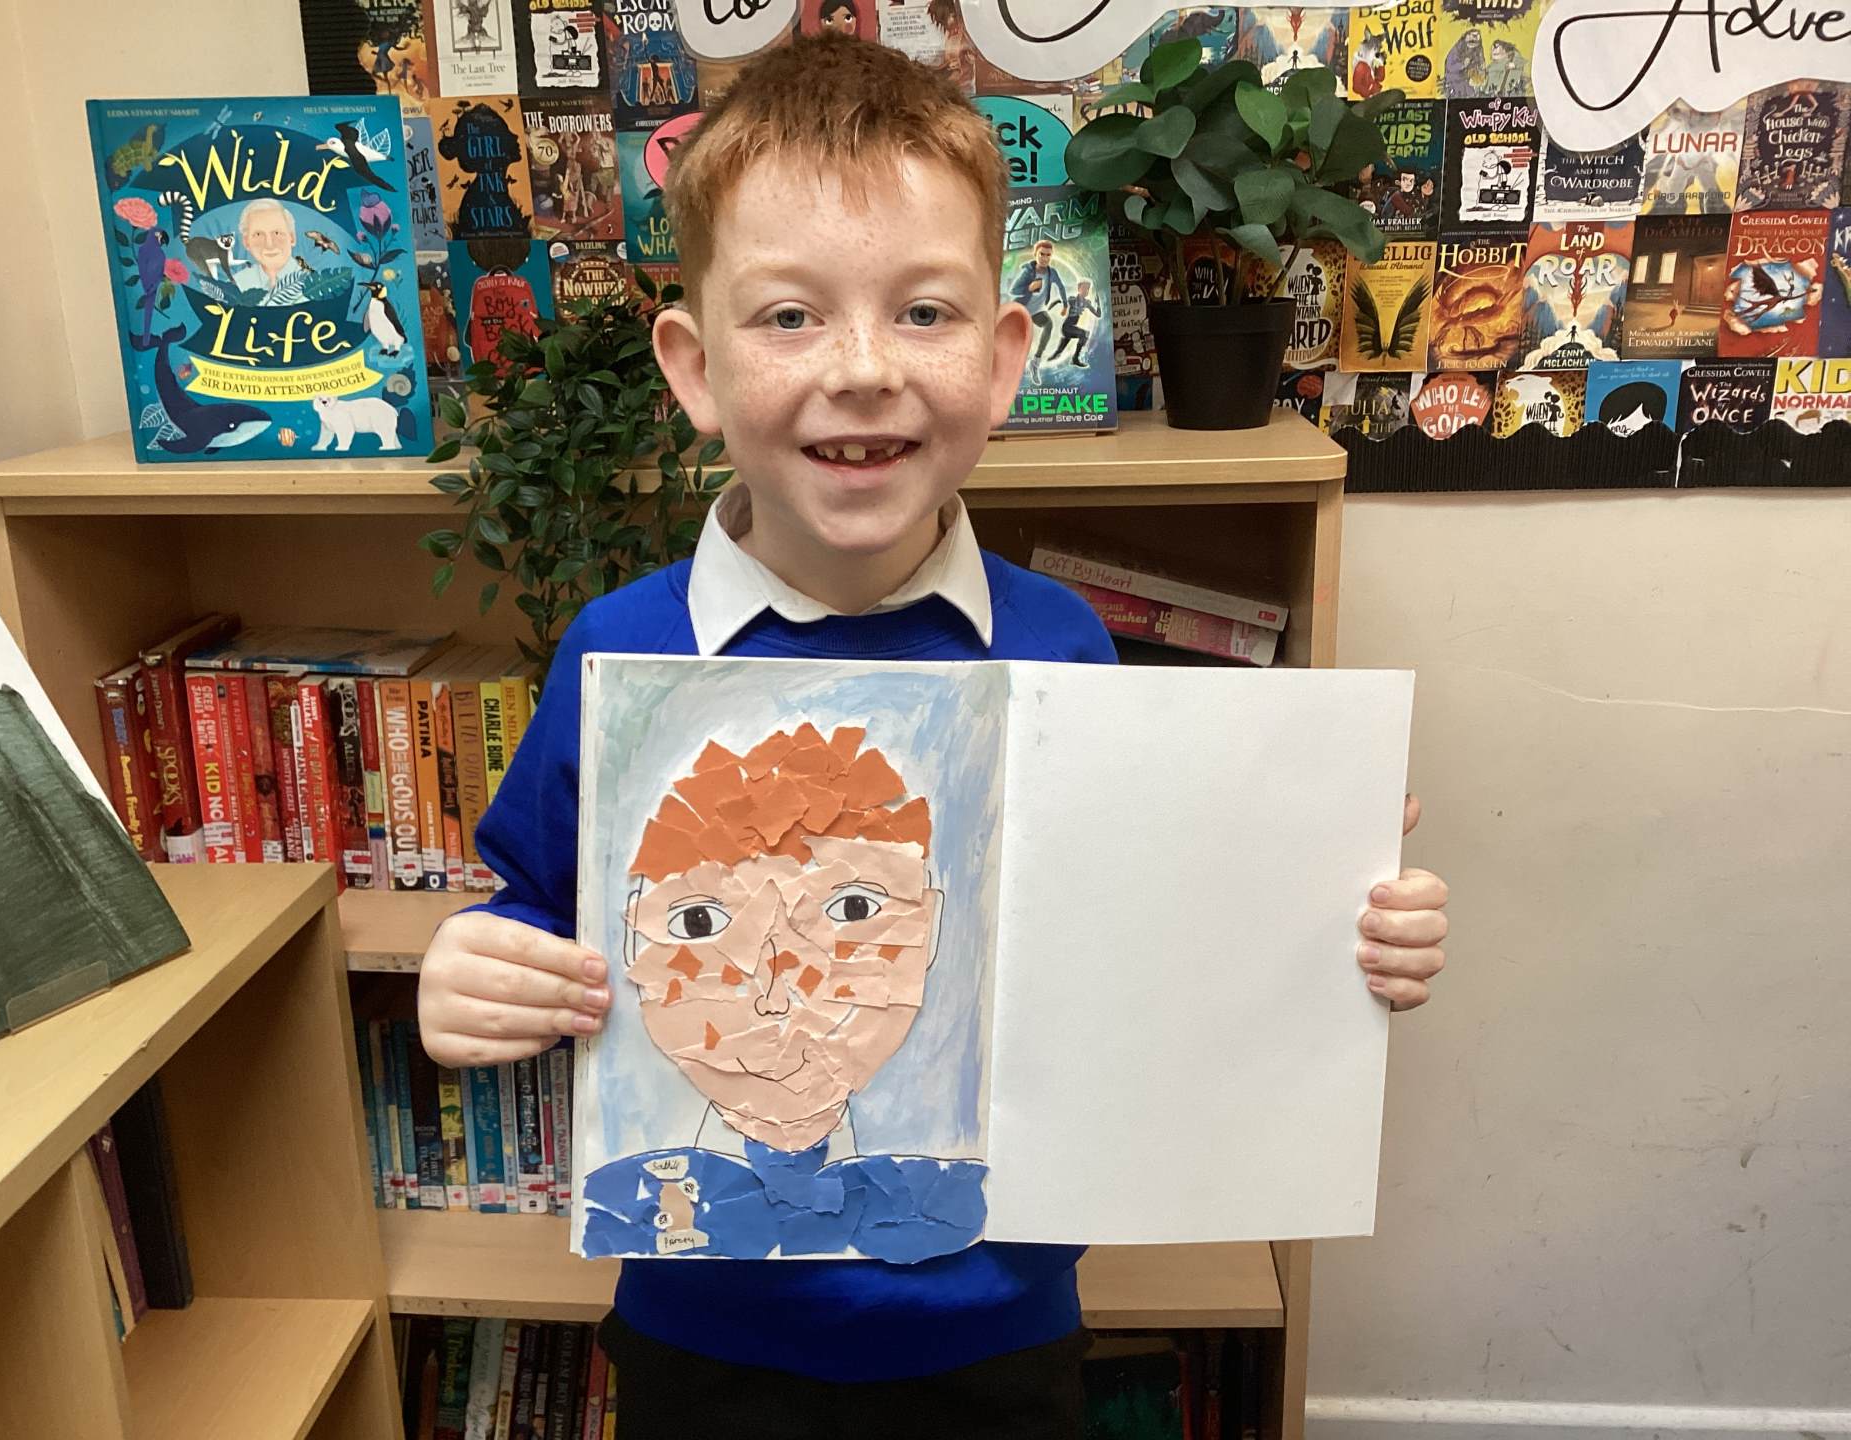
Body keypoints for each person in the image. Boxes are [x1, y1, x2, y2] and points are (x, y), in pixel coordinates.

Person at [415, 35, 1451, 1440]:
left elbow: (1132, 943)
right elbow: (537, 914)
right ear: (695, 369)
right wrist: (472, 973)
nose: (862, 371)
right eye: (789, 316)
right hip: (705, 1344)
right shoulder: (620, 655)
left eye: (923, 312)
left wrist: (1332, 929)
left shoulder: (1062, 646)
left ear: (1006, 357)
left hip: (997, 1337)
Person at [583, 724, 987, 1263]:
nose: (777, 1000)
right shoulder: (614, 1206)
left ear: (929, 932)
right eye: (698, 922)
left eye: (854, 909)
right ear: (631, 946)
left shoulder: (964, 1198)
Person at [1010, 238, 1067, 384]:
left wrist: (1065, 305)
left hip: (1036, 312)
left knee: (1048, 324)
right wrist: (1029, 288)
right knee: (1018, 339)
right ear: (1035, 254)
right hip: (1021, 310)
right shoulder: (1027, 272)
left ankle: (1035, 362)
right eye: (1042, 254)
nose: (1045, 258)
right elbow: (1014, 290)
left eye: (1048, 255)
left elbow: (1061, 287)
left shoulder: (1051, 273)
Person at [234, 198, 308, 303]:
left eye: (277, 233)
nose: (269, 244)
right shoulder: (235, 287)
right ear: (246, 242)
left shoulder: (315, 284)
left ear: (292, 238)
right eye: (258, 234)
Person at [1045, 278, 1101, 367]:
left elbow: (1098, 314)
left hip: (1071, 329)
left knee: (1058, 352)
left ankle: (1053, 358)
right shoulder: (1072, 299)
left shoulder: (1087, 303)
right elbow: (1059, 300)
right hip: (1066, 327)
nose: (1086, 290)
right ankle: (1075, 359)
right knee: (1084, 334)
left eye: (1087, 289)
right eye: (1084, 288)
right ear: (1079, 289)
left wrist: (1098, 304)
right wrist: (1048, 308)